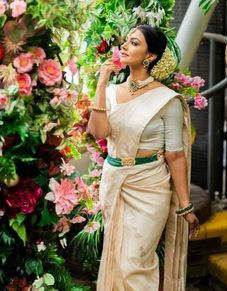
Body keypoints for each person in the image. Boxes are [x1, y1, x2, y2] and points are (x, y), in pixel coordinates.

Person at [87, 24, 200, 291]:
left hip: (149, 187)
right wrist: (102, 82)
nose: (124, 46)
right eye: (125, 41)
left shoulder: (167, 100)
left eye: (134, 43)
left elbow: (175, 154)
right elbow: (99, 132)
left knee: (135, 262)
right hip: (115, 182)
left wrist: (185, 205)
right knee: (115, 259)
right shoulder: (112, 92)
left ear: (150, 56)